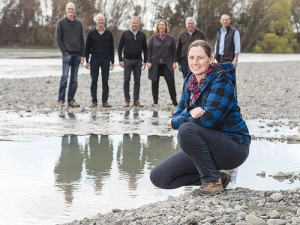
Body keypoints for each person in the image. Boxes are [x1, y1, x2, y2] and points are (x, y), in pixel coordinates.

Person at [150, 40, 251, 196]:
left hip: (233, 147)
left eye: (200, 57)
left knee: (186, 130)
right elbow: (180, 112)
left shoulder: (222, 81)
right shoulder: (189, 81)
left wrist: (178, 120)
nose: (195, 62)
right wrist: (190, 110)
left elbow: (208, 120)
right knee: (159, 178)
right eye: (191, 57)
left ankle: (212, 182)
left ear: (211, 59)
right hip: (204, 146)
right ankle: (219, 177)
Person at [55, 2, 85, 108]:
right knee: (64, 77)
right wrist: (64, 51)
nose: (71, 11)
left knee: (74, 79)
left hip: (77, 54)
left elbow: (82, 40)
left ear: (75, 10)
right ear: (66, 10)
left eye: (72, 9)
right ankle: (60, 100)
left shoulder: (79, 23)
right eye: (69, 9)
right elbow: (58, 39)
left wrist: (83, 55)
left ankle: (71, 100)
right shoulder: (61, 23)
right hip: (67, 54)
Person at [86, 13, 114, 108]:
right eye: (99, 20)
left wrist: (112, 62)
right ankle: (94, 101)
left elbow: (112, 48)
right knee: (94, 81)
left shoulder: (109, 34)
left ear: (104, 21)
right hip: (94, 59)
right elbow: (87, 47)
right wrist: (87, 60)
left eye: (102, 20)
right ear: (96, 21)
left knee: (105, 81)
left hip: (106, 59)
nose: (101, 21)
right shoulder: (91, 33)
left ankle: (105, 101)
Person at [118, 16, 147, 107]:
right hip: (127, 60)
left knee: (137, 81)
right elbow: (119, 47)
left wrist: (145, 61)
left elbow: (145, 49)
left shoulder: (142, 35)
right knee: (126, 80)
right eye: (133, 23)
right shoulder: (125, 34)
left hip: (138, 61)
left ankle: (136, 100)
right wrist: (120, 59)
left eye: (136, 23)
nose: (134, 24)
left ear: (138, 24)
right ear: (130, 23)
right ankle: (127, 100)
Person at [147, 19, 178, 106]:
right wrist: (148, 61)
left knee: (171, 82)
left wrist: (174, 62)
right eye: (159, 25)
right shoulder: (153, 38)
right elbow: (149, 50)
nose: (161, 26)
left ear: (165, 27)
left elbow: (174, 51)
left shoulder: (171, 38)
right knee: (154, 82)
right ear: (157, 27)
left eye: (163, 25)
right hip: (155, 63)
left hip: (167, 63)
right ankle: (155, 101)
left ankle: (174, 101)